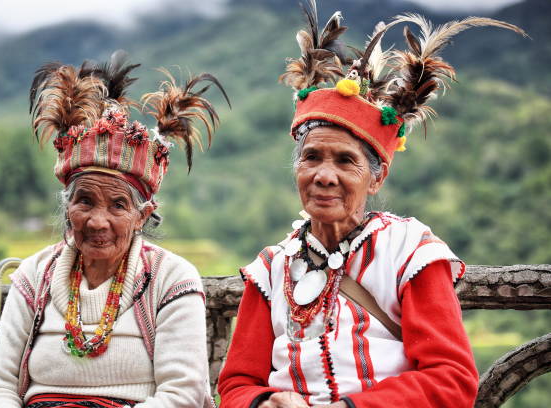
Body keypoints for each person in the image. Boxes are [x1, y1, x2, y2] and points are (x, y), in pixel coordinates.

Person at [218, 2, 527, 407]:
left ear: (376, 177)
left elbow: (450, 381)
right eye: (312, 158)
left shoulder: (410, 252)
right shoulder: (272, 268)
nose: (324, 175)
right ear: (296, 170)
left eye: (346, 161)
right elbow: (237, 384)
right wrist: (264, 404)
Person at [0, 51, 229, 407]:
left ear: (143, 215)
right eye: (84, 202)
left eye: (118, 205)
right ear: (67, 208)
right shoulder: (35, 275)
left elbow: (181, 394)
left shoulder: (171, 279)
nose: (98, 221)